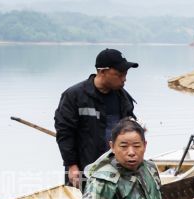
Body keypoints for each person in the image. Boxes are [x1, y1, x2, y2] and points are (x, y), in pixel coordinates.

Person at [55, 48, 138, 188]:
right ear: (102, 72)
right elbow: (65, 133)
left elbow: (129, 131)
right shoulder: (74, 96)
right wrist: (72, 165)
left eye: (125, 74)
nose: (124, 78)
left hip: (116, 170)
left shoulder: (123, 98)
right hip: (85, 170)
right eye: (119, 74)